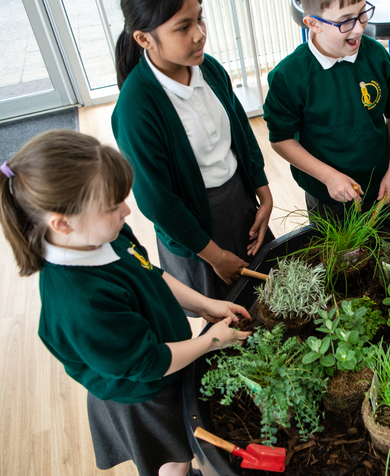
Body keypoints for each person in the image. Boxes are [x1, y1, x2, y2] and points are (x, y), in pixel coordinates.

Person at [0, 130, 253, 476]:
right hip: (143, 393)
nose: (127, 210)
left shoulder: (105, 234)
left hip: (164, 358)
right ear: (62, 223)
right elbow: (149, 363)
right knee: (172, 459)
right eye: (112, 206)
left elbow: (150, 274)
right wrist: (211, 340)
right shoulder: (79, 302)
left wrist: (206, 304)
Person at [112, 0, 274, 310]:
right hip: (193, 231)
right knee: (227, 313)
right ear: (145, 39)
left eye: (200, 19)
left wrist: (263, 194)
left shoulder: (208, 68)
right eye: (183, 27)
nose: (199, 33)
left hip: (239, 204)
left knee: (267, 299)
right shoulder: (136, 109)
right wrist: (214, 256)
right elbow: (159, 203)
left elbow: (240, 133)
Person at [262, 0, 390, 220]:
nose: (359, 28)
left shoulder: (378, 57)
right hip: (326, 197)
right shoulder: (289, 76)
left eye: (362, 13)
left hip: (381, 186)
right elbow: (281, 140)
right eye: (345, 21)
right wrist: (328, 177)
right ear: (313, 24)